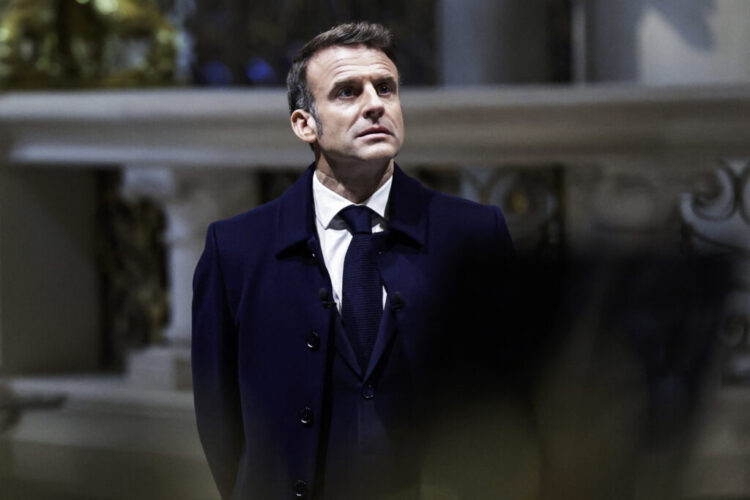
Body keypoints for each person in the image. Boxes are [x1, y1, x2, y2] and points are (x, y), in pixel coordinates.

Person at [192, 22, 515, 500]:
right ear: (305, 124)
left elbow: (512, 395)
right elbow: (219, 419)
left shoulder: (473, 233)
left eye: (386, 88)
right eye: (347, 92)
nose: (375, 104)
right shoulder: (237, 249)